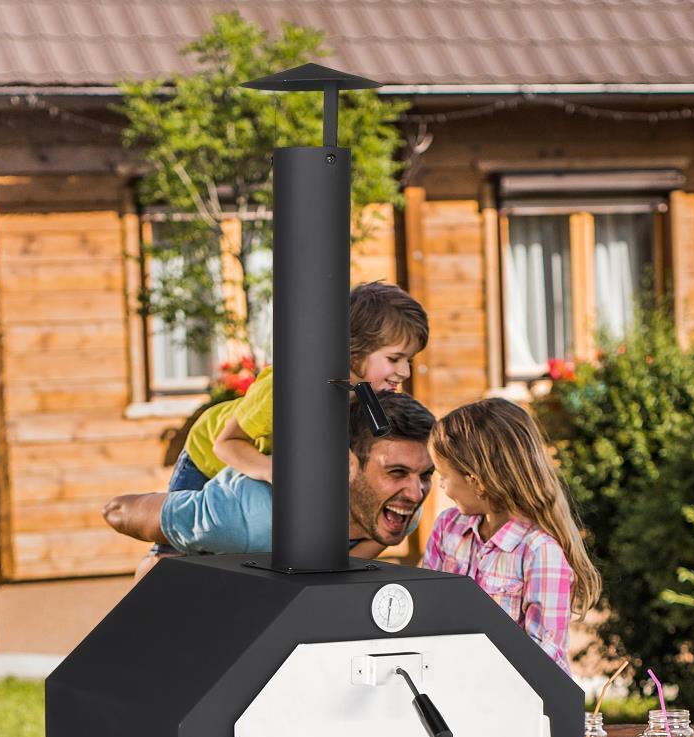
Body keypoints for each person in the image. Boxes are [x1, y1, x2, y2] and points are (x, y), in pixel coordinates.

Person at [103, 390, 436, 560]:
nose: (416, 492)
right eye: (397, 473)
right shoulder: (251, 516)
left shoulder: (403, 509)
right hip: (210, 450)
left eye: (425, 475)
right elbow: (118, 510)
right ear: (346, 465)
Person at [163, 281, 428, 494]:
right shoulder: (289, 386)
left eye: (409, 360)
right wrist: (273, 471)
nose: (404, 372)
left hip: (261, 468)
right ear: (352, 349)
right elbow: (227, 444)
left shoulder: (367, 396)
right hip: (207, 459)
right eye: (394, 359)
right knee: (178, 542)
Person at [421, 398, 601, 673]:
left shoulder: (539, 552)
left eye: (444, 476)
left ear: (476, 480)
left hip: (514, 702)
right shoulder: (448, 528)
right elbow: (425, 614)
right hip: (447, 688)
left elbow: (544, 664)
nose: (442, 487)